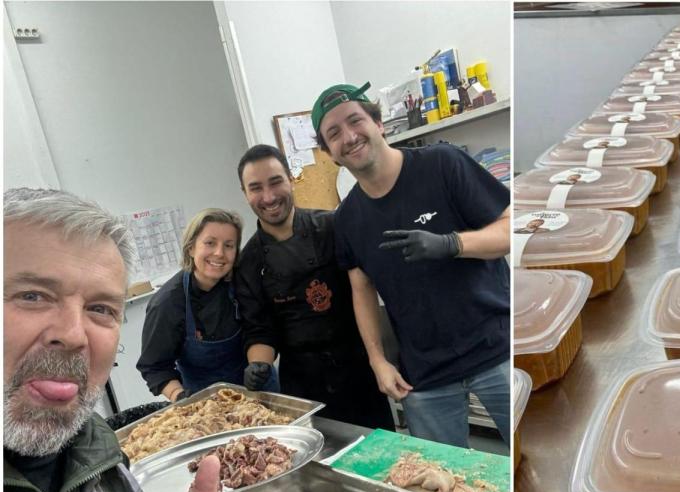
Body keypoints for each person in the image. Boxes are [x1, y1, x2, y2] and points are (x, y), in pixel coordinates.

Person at [3, 188, 235, 492]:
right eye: (33, 295)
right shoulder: (168, 302)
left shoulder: (102, 455)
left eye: (99, 309)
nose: (74, 334)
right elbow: (156, 367)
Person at [312, 81, 510, 448]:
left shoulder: (443, 164)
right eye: (334, 133)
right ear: (330, 153)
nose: (349, 136)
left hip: (498, 349)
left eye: (355, 121)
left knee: (535, 456)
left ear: (378, 123)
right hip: (425, 375)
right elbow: (362, 290)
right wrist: (377, 360)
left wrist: (453, 244)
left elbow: (511, 227)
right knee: (446, 486)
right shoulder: (348, 219)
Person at [233, 144, 394, 429]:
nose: (268, 197)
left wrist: (379, 358)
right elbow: (259, 330)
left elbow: (367, 287)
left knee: (379, 460)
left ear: (291, 179)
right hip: (303, 382)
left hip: (358, 367)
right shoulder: (247, 263)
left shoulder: (333, 227)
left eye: (275, 182)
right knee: (322, 466)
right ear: (245, 194)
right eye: (256, 188)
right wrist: (258, 365)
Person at [137, 208, 277, 401]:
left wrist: (259, 366)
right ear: (191, 247)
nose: (219, 253)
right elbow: (155, 366)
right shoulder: (167, 303)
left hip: (260, 392)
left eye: (229, 245)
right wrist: (181, 396)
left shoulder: (244, 282)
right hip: (206, 402)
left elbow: (260, 331)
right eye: (210, 243)